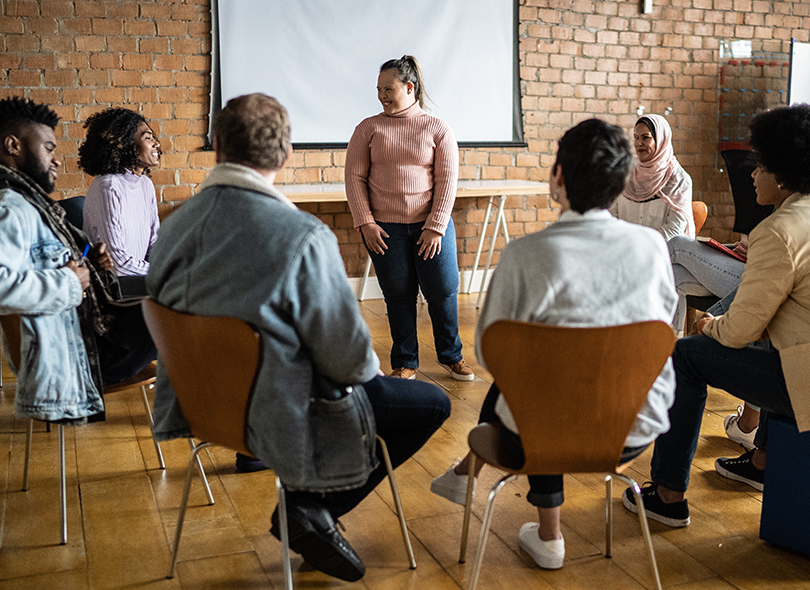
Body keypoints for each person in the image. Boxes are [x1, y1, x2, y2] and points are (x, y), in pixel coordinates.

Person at [146, 93, 450, 582]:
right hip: (276, 411)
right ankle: (308, 507)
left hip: (200, 404)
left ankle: (310, 512)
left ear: (217, 145)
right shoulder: (300, 235)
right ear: (286, 156)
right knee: (431, 403)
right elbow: (351, 363)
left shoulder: (173, 226)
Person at [430, 119, 677, 570]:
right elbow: (664, 329)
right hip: (633, 431)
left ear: (558, 176)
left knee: (536, 382)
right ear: (622, 182)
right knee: (551, 375)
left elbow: (489, 353)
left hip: (539, 435)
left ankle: (547, 534)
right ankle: (528, 522)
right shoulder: (653, 249)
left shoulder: (526, 253)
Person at [622, 104, 810, 526]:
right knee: (773, 341)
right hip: (801, 360)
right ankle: (761, 462)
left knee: (685, 355)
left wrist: (709, 325)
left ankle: (668, 496)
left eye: (759, 165)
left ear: (782, 171)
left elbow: (742, 328)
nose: (751, 175)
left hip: (803, 379)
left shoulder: (778, 231)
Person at [0, 97, 156, 423]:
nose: (56, 160)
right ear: (12, 145)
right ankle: (205, 411)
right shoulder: (10, 208)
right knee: (184, 305)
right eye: (47, 148)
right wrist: (69, 281)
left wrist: (91, 269)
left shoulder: (26, 204)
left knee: (182, 300)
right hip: (72, 355)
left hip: (80, 339)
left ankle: (195, 407)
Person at [345, 55, 473, 381]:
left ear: (409, 87)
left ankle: (451, 356)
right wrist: (366, 223)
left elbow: (447, 181)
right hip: (384, 229)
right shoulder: (368, 128)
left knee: (442, 291)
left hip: (431, 227)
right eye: (378, 90)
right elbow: (354, 179)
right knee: (398, 295)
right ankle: (405, 362)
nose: (382, 96)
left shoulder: (437, 128)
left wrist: (435, 227)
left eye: (388, 89)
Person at [78, 108, 161, 289]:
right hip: (115, 286)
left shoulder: (146, 184)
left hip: (141, 280)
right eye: (148, 138)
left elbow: (155, 243)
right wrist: (163, 273)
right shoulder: (108, 187)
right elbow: (118, 264)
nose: (156, 143)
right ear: (123, 144)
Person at [610, 114, 694, 241]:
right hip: (624, 247)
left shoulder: (679, 181)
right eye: (636, 137)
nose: (639, 143)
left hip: (661, 252)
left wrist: (643, 244)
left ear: (661, 140)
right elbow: (612, 216)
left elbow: (675, 229)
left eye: (646, 137)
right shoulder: (626, 173)